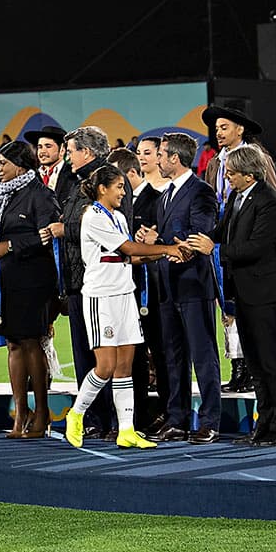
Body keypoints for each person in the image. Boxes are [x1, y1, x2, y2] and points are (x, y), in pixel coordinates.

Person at [62, 164, 187, 450]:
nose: (123, 192)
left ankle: (126, 430)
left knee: (125, 367)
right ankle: (77, 414)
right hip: (101, 297)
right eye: (118, 187)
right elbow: (129, 249)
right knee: (104, 366)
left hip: (124, 295)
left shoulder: (117, 216)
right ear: (102, 189)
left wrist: (165, 254)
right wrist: (167, 249)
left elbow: (128, 259)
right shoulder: (92, 216)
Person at [187, 146, 276, 446]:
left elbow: (257, 247)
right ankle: (265, 424)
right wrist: (196, 241)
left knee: (270, 359)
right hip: (244, 291)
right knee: (255, 362)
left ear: (249, 174)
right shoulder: (237, 196)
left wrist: (215, 250)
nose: (227, 177)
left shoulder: (270, 201)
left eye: (231, 173)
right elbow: (221, 231)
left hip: (265, 291)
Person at [136, 133, 222, 444]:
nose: (156, 159)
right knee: (172, 358)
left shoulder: (201, 192)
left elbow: (199, 237)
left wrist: (159, 242)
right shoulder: (165, 196)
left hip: (193, 285)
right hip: (167, 287)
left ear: (174, 158)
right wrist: (155, 241)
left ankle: (211, 420)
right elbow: (171, 240)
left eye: (160, 154)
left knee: (202, 355)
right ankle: (177, 419)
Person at [46, 126, 132, 437]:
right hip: (75, 280)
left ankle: (110, 420)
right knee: (84, 352)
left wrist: (62, 229)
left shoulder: (111, 183)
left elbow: (115, 232)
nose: (67, 157)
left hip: (102, 283)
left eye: (71, 151)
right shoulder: (73, 181)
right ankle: (93, 419)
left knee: (105, 355)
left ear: (88, 152)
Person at [0, 140, 58, 439]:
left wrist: (11, 245)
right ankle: (20, 412)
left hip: (34, 276)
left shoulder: (40, 194)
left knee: (30, 342)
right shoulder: (0, 195)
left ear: (20, 166)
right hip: (8, 276)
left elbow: (49, 233)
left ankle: (42, 413)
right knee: (13, 342)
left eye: (4, 164)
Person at [108, 147, 164, 430]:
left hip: (152, 288)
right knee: (133, 355)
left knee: (161, 351)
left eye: (117, 179)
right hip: (124, 288)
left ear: (131, 173)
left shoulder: (157, 200)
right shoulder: (115, 207)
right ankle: (137, 416)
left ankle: (166, 413)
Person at [23, 125, 68, 201]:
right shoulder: (31, 177)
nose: (42, 151)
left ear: (62, 150)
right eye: (40, 147)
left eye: (48, 146)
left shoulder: (74, 176)